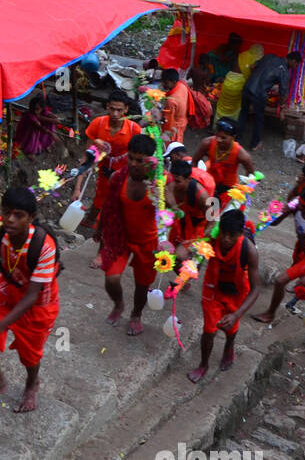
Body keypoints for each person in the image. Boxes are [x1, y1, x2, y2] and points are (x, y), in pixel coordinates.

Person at [0, 186, 61, 414]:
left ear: (31, 218)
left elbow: (31, 297)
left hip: (38, 304)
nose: (10, 219)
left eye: (19, 215)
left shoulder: (44, 246)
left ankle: (32, 383)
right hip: (8, 290)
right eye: (6, 211)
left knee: (30, 356)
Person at [97, 133, 164, 336]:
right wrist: (100, 232)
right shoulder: (118, 178)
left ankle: (136, 314)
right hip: (121, 238)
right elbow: (108, 207)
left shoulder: (160, 181)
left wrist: (160, 194)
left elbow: (172, 208)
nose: (133, 164)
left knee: (142, 286)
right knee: (111, 279)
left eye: (140, 160)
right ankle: (119, 304)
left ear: (151, 161)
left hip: (148, 242)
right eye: (130, 158)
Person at [188, 210, 261, 383]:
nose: (226, 239)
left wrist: (237, 314)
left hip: (237, 291)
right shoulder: (212, 240)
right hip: (213, 288)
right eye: (224, 234)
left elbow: (256, 289)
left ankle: (229, 346)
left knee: (231, 327)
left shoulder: (249, 251)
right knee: (209, 330)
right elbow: (194, 253)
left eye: (232, 235)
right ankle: (203, 364)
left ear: (240, 234)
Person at [253, 185, 305, 324]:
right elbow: (273, 223)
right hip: (302, 250)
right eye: (300, 204)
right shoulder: (297, 205)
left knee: (280, 281)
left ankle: (270, 314)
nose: (301, 208)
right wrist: (278, 211)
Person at [83, 93, 141, 227]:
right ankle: (91, 220)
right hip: (103, 167)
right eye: (112, 109)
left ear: (126, 109)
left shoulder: (134, 129)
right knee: (100, 195)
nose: (115, 113)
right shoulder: (98, 123)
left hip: (124, 170)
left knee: (120, 197)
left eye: (119, 110)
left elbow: (139, 153)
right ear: (107, 107)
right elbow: (88, 151)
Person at [238, 50, 302, 151]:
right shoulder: (284, 71)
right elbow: (283, 93)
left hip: (247, 88)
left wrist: (260, 80)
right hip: (258, 94)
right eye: (296, 65)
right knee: (259, 119)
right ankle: (254, 144)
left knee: (243, 113)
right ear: (293, 61)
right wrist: (281, 108)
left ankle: (237, 140)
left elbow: (252, 67)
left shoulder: (269, 56)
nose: (295, 67)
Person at [192, 118, 254, 206]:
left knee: (220, 212)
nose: (219, 140)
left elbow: (251, 174)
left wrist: (241, 190)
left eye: (223, 137)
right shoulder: (207, 142)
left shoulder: (242, 155)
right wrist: (195, 182)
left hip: (228, 188)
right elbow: (194, 162)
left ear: (233, 137)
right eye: (217, 136)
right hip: (208, 182)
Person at [165, 155, 211, 261]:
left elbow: (213, 220)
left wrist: (200, 241)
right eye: (172, 179)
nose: (173, 184)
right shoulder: (171, 183)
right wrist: (174, 208)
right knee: (168, 254)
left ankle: (193, 266)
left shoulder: (202, 196)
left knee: (180, 256)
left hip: (198, 227)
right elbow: (168, 195)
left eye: (178, 181)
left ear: (188, 179)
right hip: (181, 222)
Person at [160, 69, 190, 146]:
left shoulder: (171, 101)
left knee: (170, 146)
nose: (163, 84)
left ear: (174, 82)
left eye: (166, 83)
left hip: (175, 125)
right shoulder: (182, 86)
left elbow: (168, 122)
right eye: (163, 82)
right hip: (183, 121)